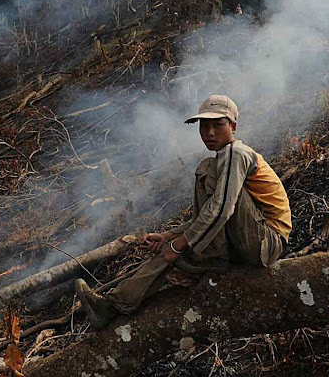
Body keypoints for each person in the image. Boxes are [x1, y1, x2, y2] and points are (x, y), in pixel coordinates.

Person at [75, 95, 292, 329]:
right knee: (172, 247)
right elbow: (208, 214)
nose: (209, 132)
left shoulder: (236, 153)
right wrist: (170, 238)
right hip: (251, 240)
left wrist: (178, 245)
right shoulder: (223, 158)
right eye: (204, 126)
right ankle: (113, 306)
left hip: (266, 242)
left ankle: (211, 257)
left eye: (218, 125)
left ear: (233, 126)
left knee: (207, 181)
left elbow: (222, 209)